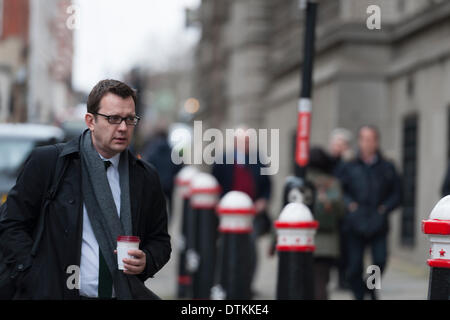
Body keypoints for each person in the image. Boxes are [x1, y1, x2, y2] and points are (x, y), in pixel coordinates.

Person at [0, 79, 171, 300]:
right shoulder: (49, 162)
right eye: (113, 119)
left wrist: (147, 260)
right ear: (90, 121)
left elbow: (161, 241)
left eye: (129, 119)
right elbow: (11, 224)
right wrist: (35, 276)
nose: (122, 127)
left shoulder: (146, 176)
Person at [340, 125, 401, 300]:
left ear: (376, 142)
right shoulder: (349, 166)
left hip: (378, 222)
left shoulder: (387, 166)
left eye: (370, 139)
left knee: (379, 261)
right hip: (355, 223)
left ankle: (370, 288)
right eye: (363, 139)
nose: (366, 143)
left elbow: (397, 193)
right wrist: (350, 204)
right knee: (353, 267)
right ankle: (359, 296)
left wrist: (385, 208)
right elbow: (339, 190)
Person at [212, 125, 272, 295]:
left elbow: (267, 185)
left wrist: (263, 201)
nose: (245, 144)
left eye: (247, 141)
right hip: (228, 214)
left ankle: (246, 283)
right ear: (235, 142)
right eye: (242, 141)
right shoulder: (223, 160)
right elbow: (215, 184)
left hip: (252, 214)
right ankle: (226, 281)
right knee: (227, 247)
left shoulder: (258, 160)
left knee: (251, 249)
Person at [307, 147, 345, 300]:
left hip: (303, 239)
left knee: (307, 282)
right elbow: (341, 211)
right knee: (321, 281)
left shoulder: (300, 182)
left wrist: (273, 240)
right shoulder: (332, 183)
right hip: (328, 244)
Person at [328, 128, 353, 290]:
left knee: (345, 247)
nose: (339, 147)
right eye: (337, 144)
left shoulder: (350, 163)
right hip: (330, 211)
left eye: (342, 144)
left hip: (345, 211)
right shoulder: (327, 162)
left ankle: (344, 278)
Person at [142, 123, 182, 221]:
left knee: (154, 204)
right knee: (170, 203)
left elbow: (145, 164)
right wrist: (172, 174)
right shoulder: (172, 151)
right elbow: (179, 165)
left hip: (156, 182)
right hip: (169, 183)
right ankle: (170, 220)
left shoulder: (151, 150)